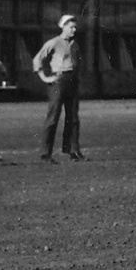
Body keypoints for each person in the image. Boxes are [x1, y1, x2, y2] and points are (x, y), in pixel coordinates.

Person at [33, 13, 83, 162]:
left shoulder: (75, 44)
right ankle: (45, 153)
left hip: (72, 80)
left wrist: (77, 76)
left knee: (73, 117)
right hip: (59, 80)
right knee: (53, 117)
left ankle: (73, 151)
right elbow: (38, 59)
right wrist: (45, 77)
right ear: (64, 27)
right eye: (71, 27)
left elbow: (79, 62)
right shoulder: (53, 42)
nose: (74, 30)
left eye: (75, 27)